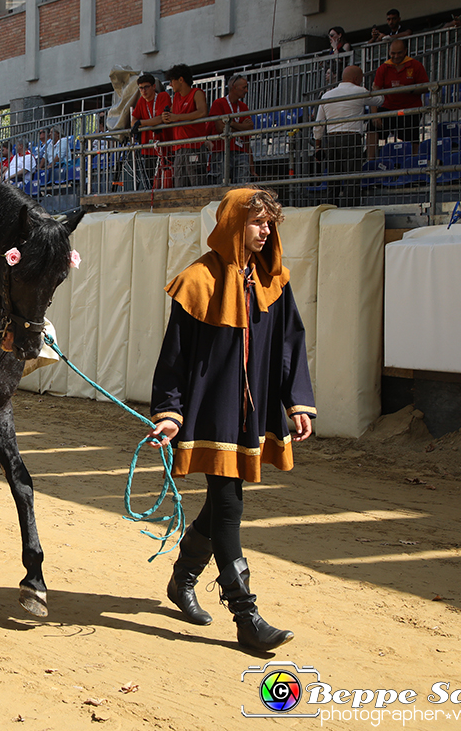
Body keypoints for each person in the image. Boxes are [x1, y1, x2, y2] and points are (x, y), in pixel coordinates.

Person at [146, 187, 314, 652]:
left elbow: (288, 347)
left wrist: (296, 401)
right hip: (211, 410)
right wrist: (169, 412)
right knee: (230, 505)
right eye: (257, 222)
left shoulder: (273, 282)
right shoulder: (197, 280)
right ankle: (245, 614)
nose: (265, 231)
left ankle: (182, 578)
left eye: (269, 223)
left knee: (223, 503)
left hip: (253, 410)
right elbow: (173, 359)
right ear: (233, 224)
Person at [314, 65, 382, 205]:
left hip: (332, 138)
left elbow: (318, 124)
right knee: (352, 177)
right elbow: (379, 101)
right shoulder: (360, 91)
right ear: (357, 78)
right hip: (352, 137)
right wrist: (376, 90)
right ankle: (352, 209)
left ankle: (331, 207)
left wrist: (318, 146)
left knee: (333, 178)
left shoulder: (327, 95)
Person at [161, 64, 210, 187]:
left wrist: (177, 117)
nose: (170, 85)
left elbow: (203, 112)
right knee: (179, 184)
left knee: (197, 182)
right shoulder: (176, 96)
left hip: (195, 146)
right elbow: (171, 114)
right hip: (179, 148)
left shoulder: (197, 93)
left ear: (181, 80)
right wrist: (165, 118)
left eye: (172, 81)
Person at [372, 40, 429, 145]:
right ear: (389, 52)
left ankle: (413, 159)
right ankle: (371, 159)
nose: (396, 56)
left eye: (399, 53)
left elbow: (426, 88)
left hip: (411, 108)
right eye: (393, 53)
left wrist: (408, 89)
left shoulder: (415, 65)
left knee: (412, 134)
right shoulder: (383, 68)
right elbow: (375, 92)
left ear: (405, 51)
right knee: (372, 126)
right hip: (389, 108)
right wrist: (375, 115)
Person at [208, 75, 255, 182]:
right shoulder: (219, 103)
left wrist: (230, 123)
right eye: (244, 87)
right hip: (222, 151)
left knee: (242, 186)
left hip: (241, 151)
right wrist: (241, 127)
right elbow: (220, 128)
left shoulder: (243, 106)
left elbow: (249, 128)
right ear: (234, 87)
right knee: (221, 183)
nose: (246, 90)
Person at [130, 73, 172, 190]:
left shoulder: (163, 96)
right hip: (148, 148)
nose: (143, 91)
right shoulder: (141, 101)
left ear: (154, 86)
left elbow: (161, 119)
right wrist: (147, 122)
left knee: (167, 179)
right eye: (141, 88)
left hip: (165, 145)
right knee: (151, 183)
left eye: (146, 87)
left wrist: (141, 123)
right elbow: (133, 122)